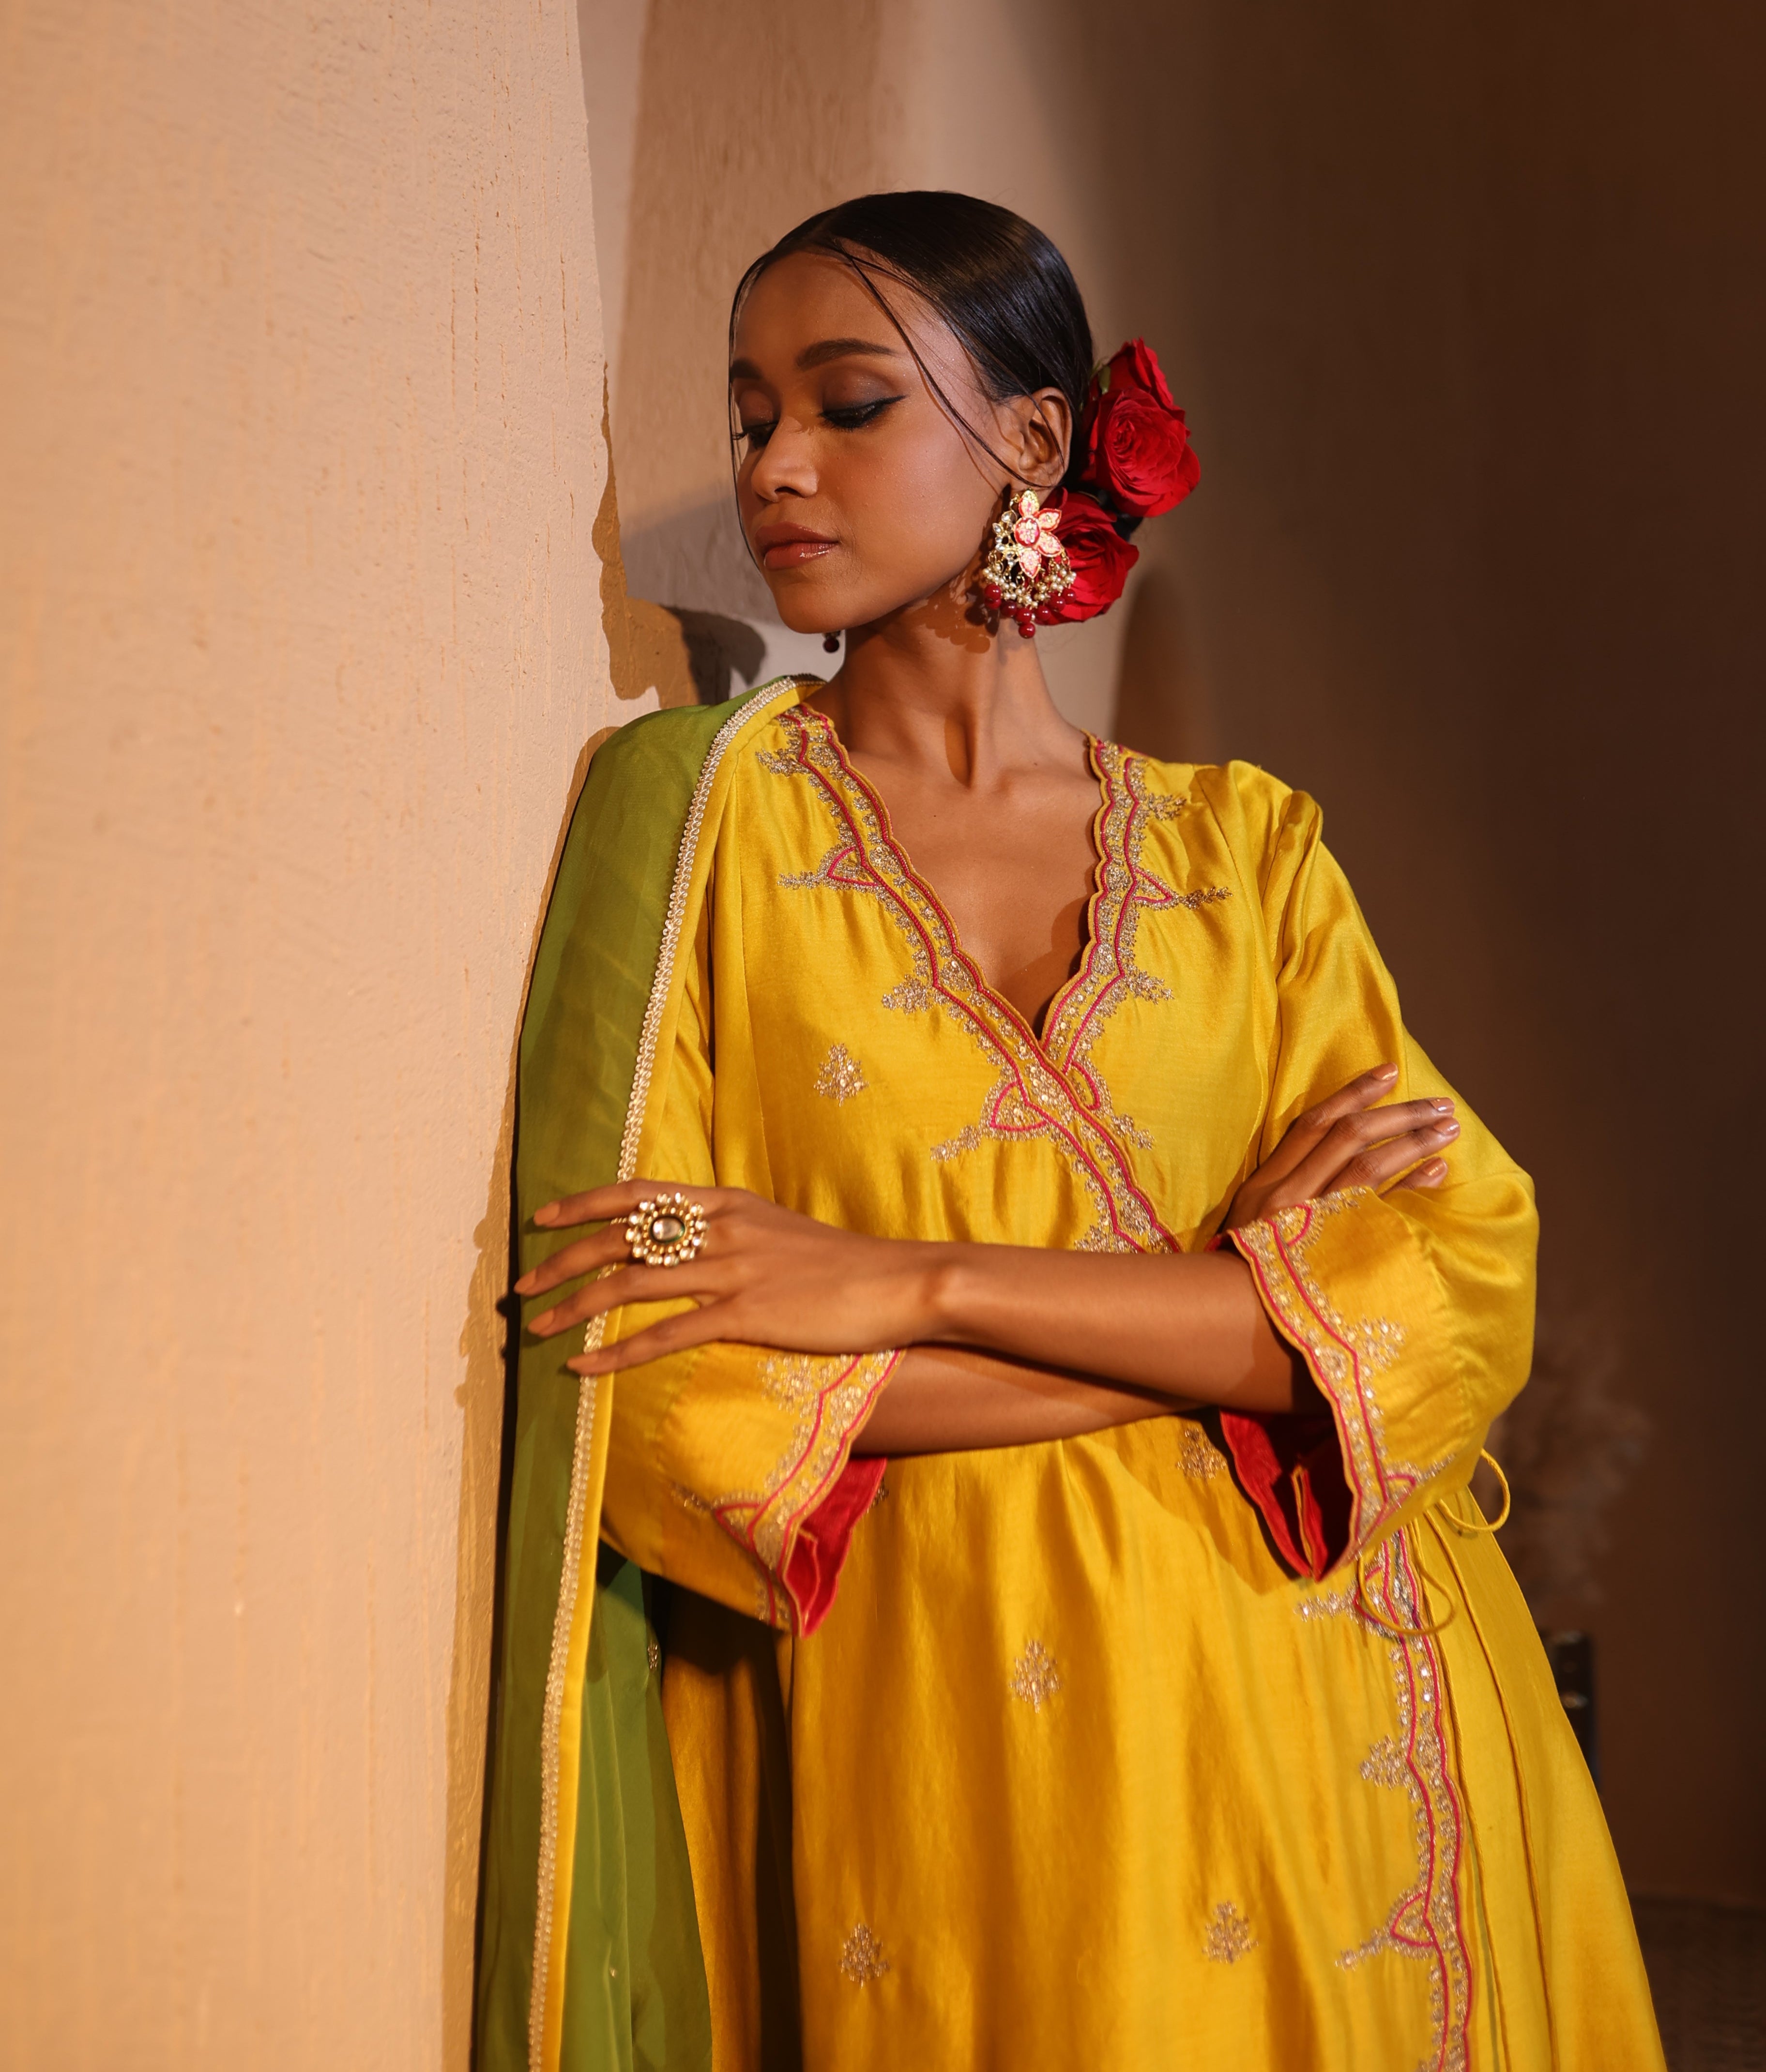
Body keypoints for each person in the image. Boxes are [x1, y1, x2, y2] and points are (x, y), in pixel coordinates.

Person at [477, 192, 1664, 2072]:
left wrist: (899, 1284)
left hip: (1337, 1714)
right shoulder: (704, 829)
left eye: (846, 402)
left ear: (1031, 440)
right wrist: (1229, 1323)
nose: (776, 464)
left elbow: (1448, 1282)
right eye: (747, 412)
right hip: (965, 1741)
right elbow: (652, 1348)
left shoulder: (1246, 851)